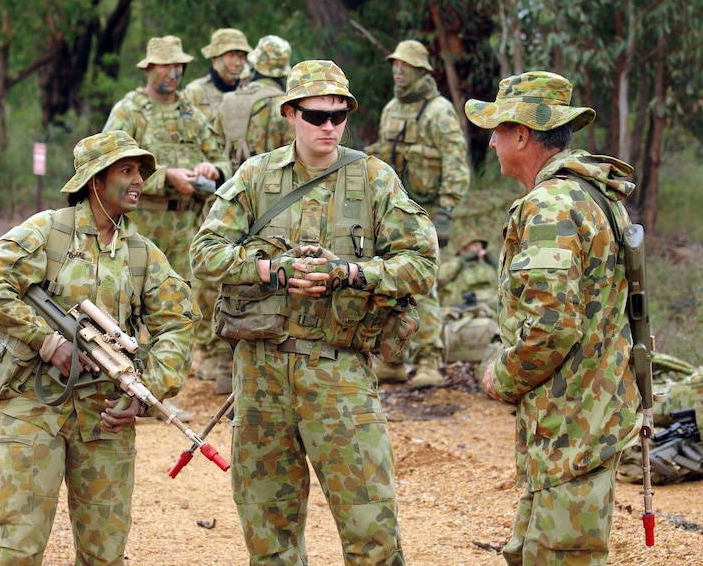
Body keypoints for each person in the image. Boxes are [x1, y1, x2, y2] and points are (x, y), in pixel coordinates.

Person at [190, 59, 438, 566]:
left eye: (339, 115)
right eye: (316, 115)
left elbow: (421, 265)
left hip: (339, 371)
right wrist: (271, 270)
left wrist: (349, 273)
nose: (329, 126)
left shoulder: (374, 180)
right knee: (267, 525)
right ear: (290, 113)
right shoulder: (256, 177)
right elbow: (204, 253)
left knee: (370, 520)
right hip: (260, 372)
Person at [0, 130, 201, 565]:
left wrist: (144, 392)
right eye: (126, 171)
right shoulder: (49, 232)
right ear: (95, 179)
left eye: (140, 173)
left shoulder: (142, 255)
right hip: (34, 405)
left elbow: (177, 324)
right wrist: (46, 341)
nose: (138, 182)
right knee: (17, 545)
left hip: (104, 416)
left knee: (105, 553)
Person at [468, 71, 642, 565]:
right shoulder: (591, 194)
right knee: (534, 551)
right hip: (581, 415)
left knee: (561, 555)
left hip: (571, 424)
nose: (492, 139)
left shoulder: (550, 206)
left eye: (499, 129)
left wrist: (501, 376)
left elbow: (551, 327)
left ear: (522, 135)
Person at [102, 36, 233, 398]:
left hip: (186, 227)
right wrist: (164, 177)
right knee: (128, 305)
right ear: (148, 68)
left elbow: (222, 159)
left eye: (179, 66)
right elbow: (107, 167)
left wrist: (211, 170)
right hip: (140, 224)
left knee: (178, 307)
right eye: (166, 65)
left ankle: (158, 391)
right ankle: (122, 389)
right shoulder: (130, 111)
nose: (174, 73)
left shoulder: (191, 110)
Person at [364, 39, 472, 389]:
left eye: (405, 67)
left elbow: (456, 164)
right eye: (394, 65)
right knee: (388, 282)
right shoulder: (391, 109)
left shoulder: (439, 111)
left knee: (425, 287)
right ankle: (393, 360)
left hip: (426, 211)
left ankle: (428, 362)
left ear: (421, 71)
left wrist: (447, 210)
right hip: (393, 211)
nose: (397, 72)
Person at [213, 34, 295, 174]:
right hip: (274, 191)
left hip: (231, 191)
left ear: (254, 64)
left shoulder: (227, 103)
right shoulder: (288, 107)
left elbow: (214, 153)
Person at [184, 28, 253, 124]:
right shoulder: (194, 93)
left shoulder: (249, 93)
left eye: (241, 57)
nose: (237, 63)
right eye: (231, 56)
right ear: (214, 58)